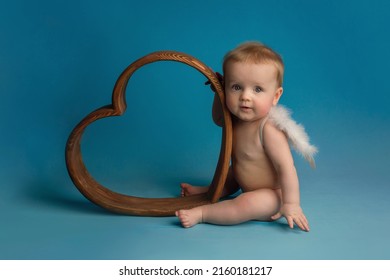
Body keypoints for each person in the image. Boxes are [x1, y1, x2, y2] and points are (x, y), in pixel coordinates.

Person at [176, 42, 316, 231]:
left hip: (272, 195)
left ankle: (203, 214)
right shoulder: (236, 117)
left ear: (275, 96)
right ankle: (211, 190)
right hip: (242, 179)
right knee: (232, 173)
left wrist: (291, 204)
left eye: (257, 89)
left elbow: (286, 168)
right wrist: (218, 93)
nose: (245, 97)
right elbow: (218, 119)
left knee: (244, 204)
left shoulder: (268, 128)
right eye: (236, 87)